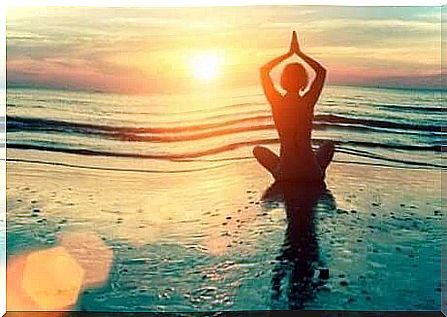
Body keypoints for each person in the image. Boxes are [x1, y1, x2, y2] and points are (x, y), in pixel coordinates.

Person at [253, 31, 334, 183]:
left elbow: (263, 70)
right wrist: (299, 53)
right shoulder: (308, 101)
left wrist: (288, 54)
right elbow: (321, 72)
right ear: (304, 81)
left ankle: (282, 169)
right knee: (329, 145)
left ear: (283, 80)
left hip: (285, 173)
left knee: (258, 150)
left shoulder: (276, 101)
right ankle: (318, 168)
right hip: (311, 172)